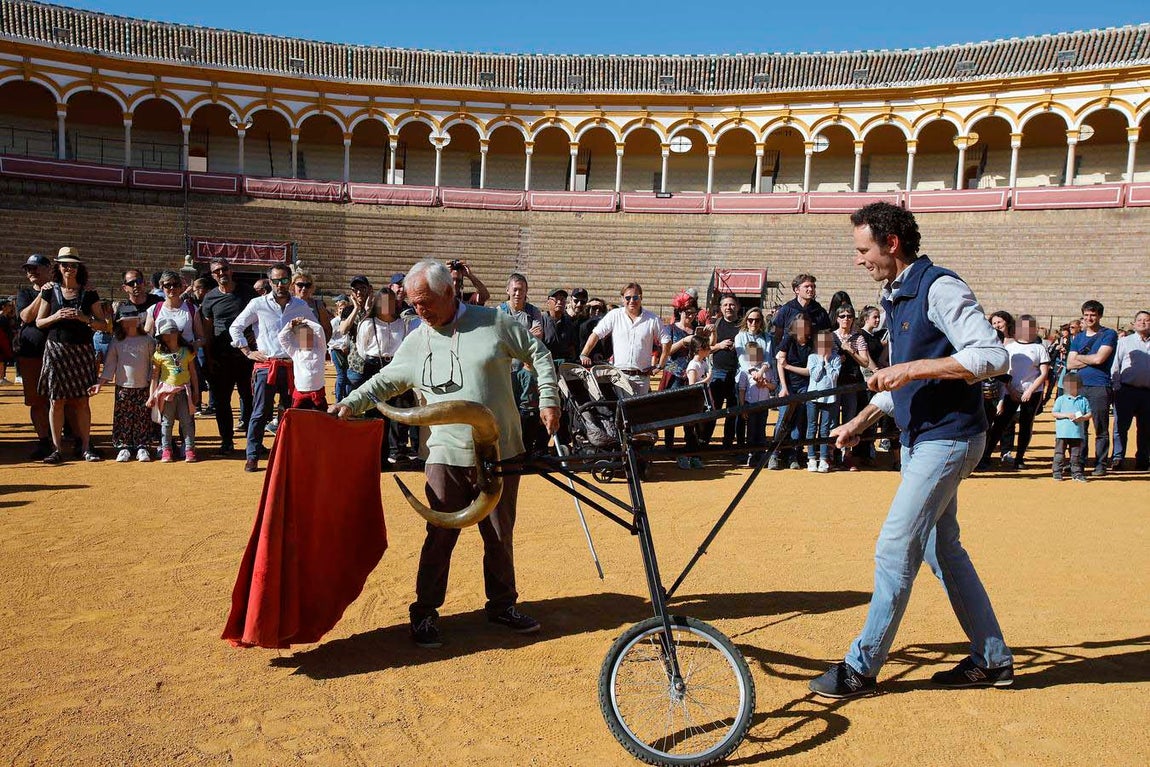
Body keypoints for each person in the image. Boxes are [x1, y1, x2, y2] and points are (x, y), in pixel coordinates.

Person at [809, 202, 1013, 699]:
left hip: (949, 438)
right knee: (943, 550)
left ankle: (861, 666)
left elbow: (991, 354)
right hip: (927, 438)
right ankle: (992, 661)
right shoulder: (897, 296)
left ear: (891, 244)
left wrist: (916, 367)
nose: (859, 260)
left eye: (863, 250)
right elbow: (896, 382)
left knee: (895, 547)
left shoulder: (939, 287)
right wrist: (862, 418)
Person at [330, 259, 560, 648]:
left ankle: (502, 605)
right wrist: (350, 404)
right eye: (414, 304)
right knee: (439, 533)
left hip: (500, 451)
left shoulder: (494, 322)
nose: (419, 312)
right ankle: (425, 611)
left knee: (500, 535)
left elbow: (538, 354)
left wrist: (549, 398)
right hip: (445, 454)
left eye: (426, 303)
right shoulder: (416, 338)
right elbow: (386, 381)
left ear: (450, 293)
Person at [229, 262, 313, 472]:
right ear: (270, 282)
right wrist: (248, 352)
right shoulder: (258, 304)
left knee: (292, 412)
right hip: (266, 365)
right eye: (276, 281)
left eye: (284, 280)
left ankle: (290, 455)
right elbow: (236, 327)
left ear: (290, 281)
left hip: (292, 367)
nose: (280, 285)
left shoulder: (301, 306)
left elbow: (311, 333)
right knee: (260, 412)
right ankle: (253, 455)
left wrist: (303, 347)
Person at [34, 247, 109, 464]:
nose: (69, 268)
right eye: (65, 264)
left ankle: (85, 446)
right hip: (56, 350)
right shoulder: (50, 291)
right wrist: (56, 315)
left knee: (82, 401)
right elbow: (39, 322)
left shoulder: (89, 293)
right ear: (58, 266)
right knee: (56, 401)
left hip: (81, 351)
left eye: (73, 265)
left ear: (79, 267)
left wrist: (83, 318)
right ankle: (56, 449)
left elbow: (104, 325)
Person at [199, 258, 257, 456]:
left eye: (224, 269)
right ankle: (227, 441)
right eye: (216, 271)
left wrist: (255, 336)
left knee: (249, 399)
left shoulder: (247, 292)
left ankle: (253, 441)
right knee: (222, 402)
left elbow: (260, 318)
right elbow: (207, 330)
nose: (221, 273)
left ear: (231, 270)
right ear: (213, 275)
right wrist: (208, 356)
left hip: (246, 356)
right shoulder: (210, 298)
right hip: (221, 357)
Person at [981, 314, 1050, 470]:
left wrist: (1029, 391)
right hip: (1010, 391)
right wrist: (1011, 390)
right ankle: (986, 456)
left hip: (1032, 392)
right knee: (999, 424)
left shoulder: (1039, 348)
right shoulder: (1009, 347)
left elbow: (1043, 373)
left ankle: (1019, 458)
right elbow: (1005, 371)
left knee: (1026, 425)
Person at [95, 306, 155, 462]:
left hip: (143, 387)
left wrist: (151, 385)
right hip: (123, 387)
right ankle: (124, 447)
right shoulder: (116, 341)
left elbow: (153, 364)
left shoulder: (148, 340)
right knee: (123, 418)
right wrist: (100, 384)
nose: (130, 324)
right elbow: (110, 365)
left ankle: (142, 446)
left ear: (138, 321)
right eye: (126, 321)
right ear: (121, 323)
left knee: (143, 418)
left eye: (133, 320)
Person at [580, 283, 662, 395]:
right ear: (622, 299)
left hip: (642, 377)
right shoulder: (614, 315)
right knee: (622, 409)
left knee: (639, 410)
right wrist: (584, 354)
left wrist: (660, 365)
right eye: (628, 298)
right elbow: (596, 334)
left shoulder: (652, 318)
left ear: (641, 297)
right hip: (619, 376)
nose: (632, 301)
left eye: (635, 297)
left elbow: (666, 341)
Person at [1067, 300, 1118, 475]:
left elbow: (1099, 360)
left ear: (1100, 316)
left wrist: (1080, 358)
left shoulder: (1108, 334)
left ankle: (1100, 464)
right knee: (1080, 427)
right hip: (1079, 387)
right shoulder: (1079, 337)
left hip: (1099, 386)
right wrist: (1089, 358)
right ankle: (1080, 463)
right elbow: (1069, 363)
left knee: (1100, 428)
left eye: (1093, 315)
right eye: (1086, 315)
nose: (1089, 318)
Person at [15, 254, 55, 458]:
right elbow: (26, 316)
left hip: (57, 352)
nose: (31, 272)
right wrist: (43, 294)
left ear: (49, 268)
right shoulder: (25, 294)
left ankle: (74, 439)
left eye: (35, 267)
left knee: (64, 398)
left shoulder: (59, 291)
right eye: (28, 269)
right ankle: (43, 441)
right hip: (32, 354)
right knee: (36, 400)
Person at [149, 319, 200, 463]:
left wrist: (196, 392)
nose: (170, 335)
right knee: (166, 422)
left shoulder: (187, 352)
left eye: (172, 332)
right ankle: (166, 450)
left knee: (187, 421)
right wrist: (151, 395)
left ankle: (189, 449)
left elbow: (193, 373)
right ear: (162, 337)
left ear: (178, 333)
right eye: (166, 333)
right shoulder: (159, 355)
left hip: (184, 391)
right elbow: (154, 377)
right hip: (166, 393)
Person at [771, 314, 814, 470]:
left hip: (804, 386)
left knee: (799, 421)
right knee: (783, 418)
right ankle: (774, 454)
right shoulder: (788, 340)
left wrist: (788, 366)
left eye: (805, 325)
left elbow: (810, 371)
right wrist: (783, 387)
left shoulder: (812, 343)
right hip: (788, 385)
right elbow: (779, 363)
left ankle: (793, 454)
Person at [1110, 309, 1150, 471]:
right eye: (1139, 320)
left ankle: (1143, 458)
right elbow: (1115, 366)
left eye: (1147, 320)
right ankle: (1118, 457)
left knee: (1146, 428)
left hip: (1148, 392)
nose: (1143, 322)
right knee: (1120, 426)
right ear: (1134, 323)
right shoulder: (1125, 342)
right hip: (1126, 390)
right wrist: (1116, 387)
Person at [701, 294, 742, 448]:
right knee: (713, 410)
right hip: (718, 372)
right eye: (725, 305)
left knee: (733, 411)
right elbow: (705, 350)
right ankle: (704, 441)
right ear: (720, 308)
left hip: (738, 373)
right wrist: (719, 345)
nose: (728, 308)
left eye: (731, 305)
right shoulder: (715, 325)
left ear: (737, 306)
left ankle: (728, 444)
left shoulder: (744, 325)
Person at [804, 329, 841, 473]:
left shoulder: (836, 358)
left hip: (829, 398)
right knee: (812, 427)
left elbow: (834, 378)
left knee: (825, 429)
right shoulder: (812, 357)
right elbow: (815, 376)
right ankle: (811, 457)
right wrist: (821, 360)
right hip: (813, 397)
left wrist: (827, 361)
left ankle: (824, 458)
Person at [736, 339, 777, 467]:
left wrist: (765, 384)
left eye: (757, 355)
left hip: (763, 405)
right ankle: (751, 455)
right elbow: (742, 390)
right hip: (751, 404)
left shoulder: (767, 370)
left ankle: (760, 454)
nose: (755, 358)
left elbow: (774, 386)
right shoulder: (744, 372)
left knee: (762, 430)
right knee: (752, 431)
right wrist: (743, 407)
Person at [277, 317, 328, 410]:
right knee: (299, 421)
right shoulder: (295, 352)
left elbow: (319, 329)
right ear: (298, 339)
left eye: (309, 336)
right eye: (303, 337)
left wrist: (305, 320)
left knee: (321, 421)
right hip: (300, 395)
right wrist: (289, 325)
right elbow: (281, 337)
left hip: (317, 395)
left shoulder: (321, 350)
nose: (306, 339)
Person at [678, 336, 712, 469]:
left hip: (701, 401)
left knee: (699, 431)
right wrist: (706, 380)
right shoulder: (693, 365)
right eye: (706, 348)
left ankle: (695, 457)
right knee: (691, 432)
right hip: (692, 404)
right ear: (699, 350)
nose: (709, 349)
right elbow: (691, 386)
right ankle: (685, 456)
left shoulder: (703, 363)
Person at [770, 273, 832, 344]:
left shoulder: (820, 311)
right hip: (791, 353)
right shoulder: (786, 310)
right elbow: (778, 336)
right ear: (797, 290)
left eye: (812, 286)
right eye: (806, 286)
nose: (811, 289)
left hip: (813, 352)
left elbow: (827, 335)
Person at [1052, 371, 1091, 482]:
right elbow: (1054, 413)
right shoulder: (1061, 399)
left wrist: (1082, 418)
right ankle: (1057, 472)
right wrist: (1066, 415)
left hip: (1077, 433)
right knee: (1059, 453)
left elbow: (1089, 413)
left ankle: (1077, 473)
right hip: (1063, 432)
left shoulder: (1083, 400)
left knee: (1076, 455)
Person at [541, 288, 579, 365]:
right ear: (548, 302)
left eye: (562, 300)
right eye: (556, 299)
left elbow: (572, 347)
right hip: (546, 363)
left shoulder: (568, 322)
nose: (559, 302)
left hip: (564, 364)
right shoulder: (541, 320)